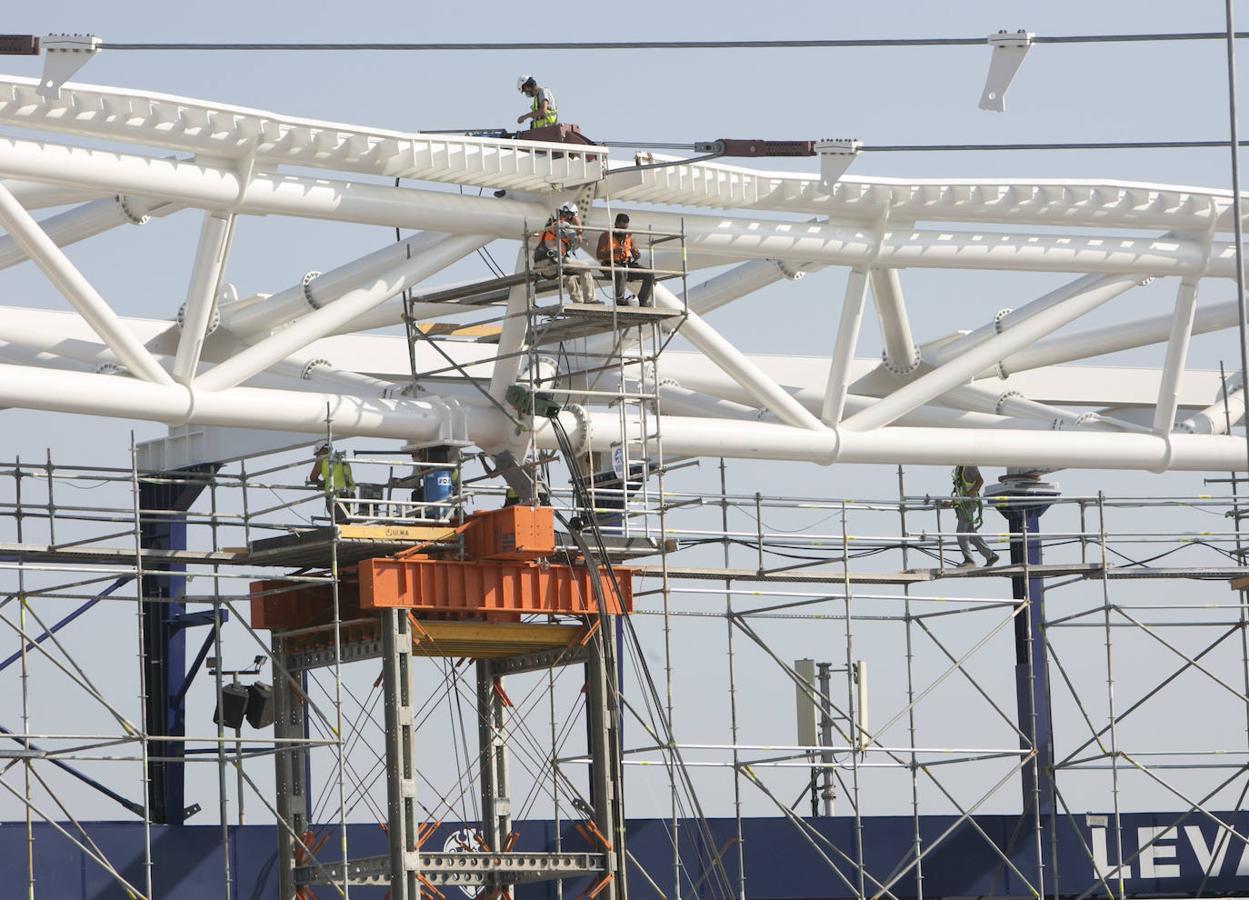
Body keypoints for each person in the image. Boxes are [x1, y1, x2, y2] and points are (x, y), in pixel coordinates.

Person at [534, 202, 596, 303]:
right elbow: (577, 240)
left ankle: (578, 302)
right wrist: (579, 228)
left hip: (542, 265)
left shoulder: (549, 227)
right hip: (553, 261)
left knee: (568, 275)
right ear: (571, 216)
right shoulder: (563, 224)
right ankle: (590, 299)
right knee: (585, 267)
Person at [595, 213, 654, 307]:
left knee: (649, 274)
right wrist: (613, 251)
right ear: (616, 224)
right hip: (610, 266)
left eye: (625, 228)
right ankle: (620, 300)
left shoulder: (630, 237)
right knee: (620, 271)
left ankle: (642, 301)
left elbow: (636, 255)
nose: (623, 231)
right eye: (621, 228)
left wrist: (636, 253)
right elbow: (599, 255)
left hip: (627, 265)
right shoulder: (606, 235)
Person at [952, 464, 999, 568]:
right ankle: (990, 555)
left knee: (961, 532)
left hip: (969, 503)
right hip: (963, 503)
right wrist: (952, 502)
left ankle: (969, 560)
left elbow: (980, 480)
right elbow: (961, 489)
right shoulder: (959, 467)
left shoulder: (969, 465)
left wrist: (973, 491)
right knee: (971, 533)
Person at [307, 442, 356, 522]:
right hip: (350, 495)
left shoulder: (322, 459)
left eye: (317, 454)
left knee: (339, 524)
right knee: (346, 521)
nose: (317, 456)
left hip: (335, 496)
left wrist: (322, 483)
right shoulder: (342, 459)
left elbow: (313, 477)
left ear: (323, 450)